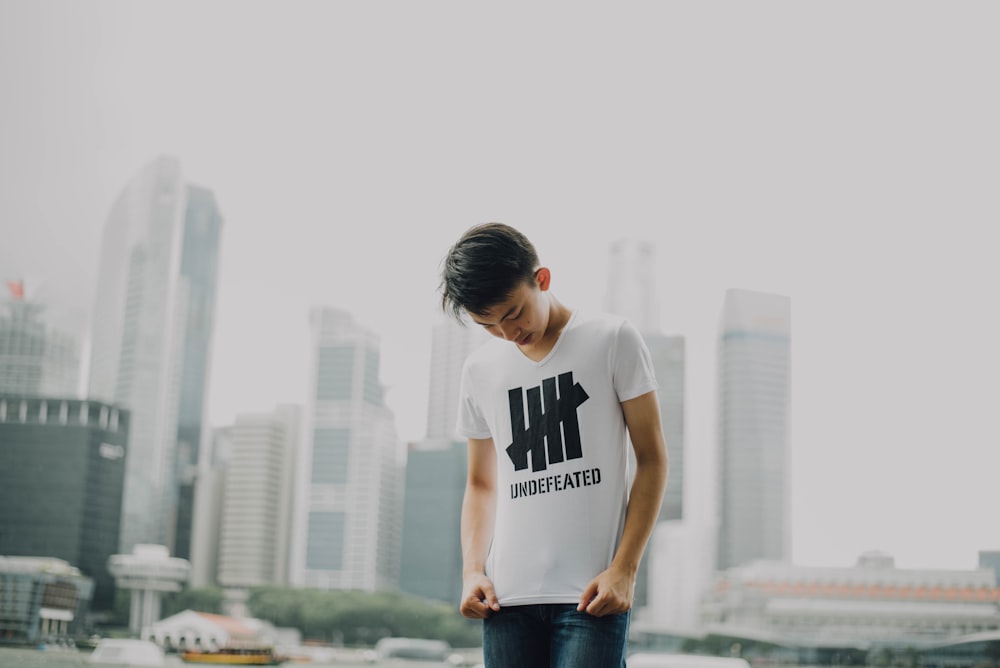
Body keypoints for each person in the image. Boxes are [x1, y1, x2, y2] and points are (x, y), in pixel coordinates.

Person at [439, 223, 669, 668]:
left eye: (513, 313)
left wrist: (626, 569)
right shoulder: (479, 369)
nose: (507, 332)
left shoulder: (612, 338)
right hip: (505, 599)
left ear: (541, 280)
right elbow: (481, 484)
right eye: (488, 324)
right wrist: (472, 572)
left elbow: (653, 460)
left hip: (590, 595)